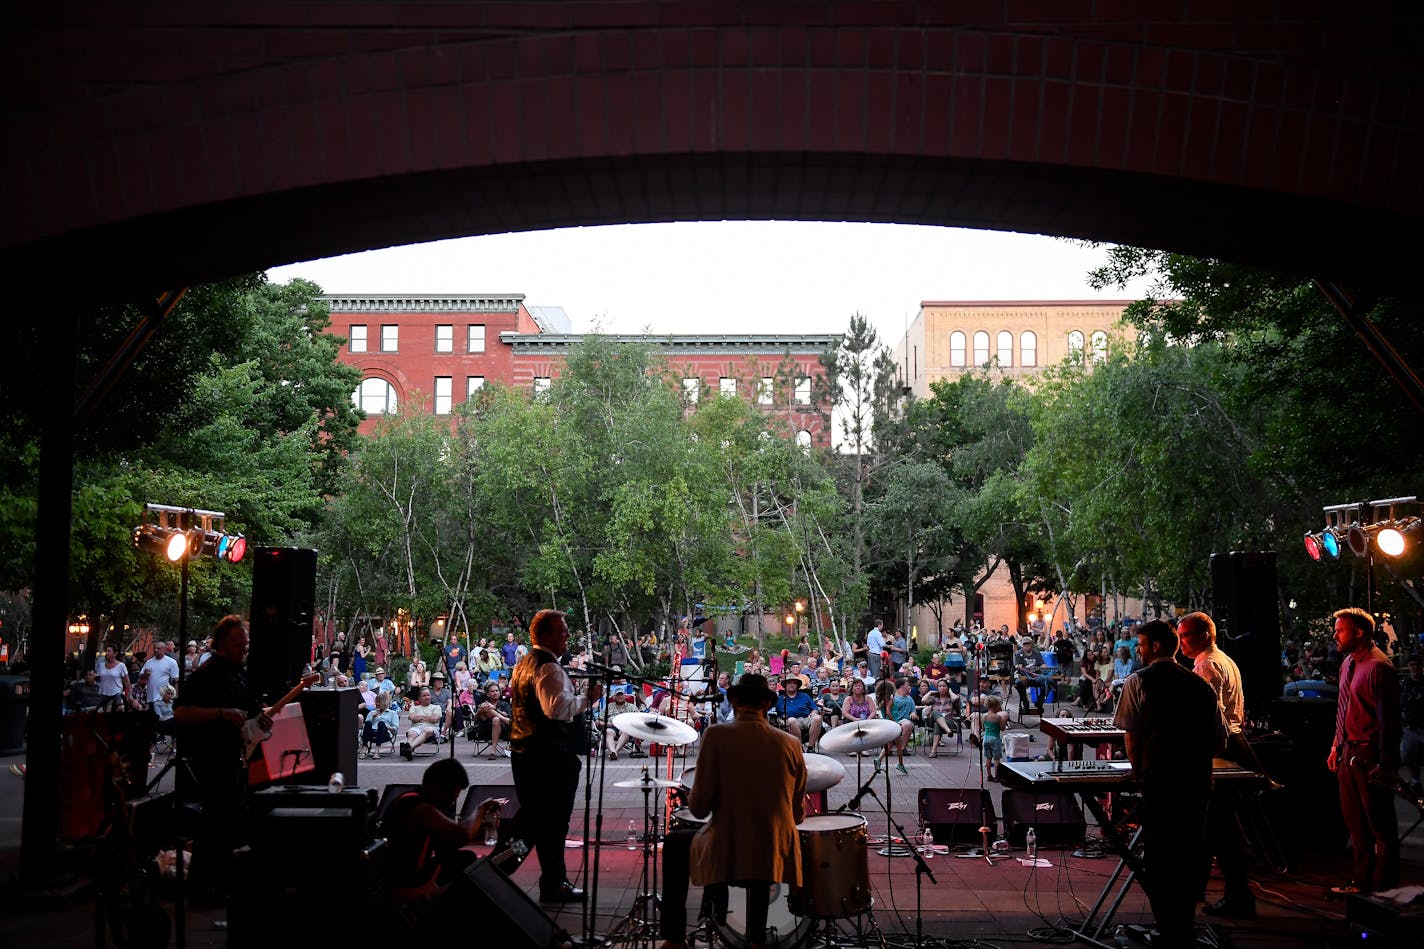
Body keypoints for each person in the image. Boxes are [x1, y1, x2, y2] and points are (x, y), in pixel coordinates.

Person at [658, 674, 807, 949]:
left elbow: (700, 809)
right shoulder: (792, 744)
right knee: (763, 841)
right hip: (777, 850)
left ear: (735, 702)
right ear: (766, 705)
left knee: (676, 844)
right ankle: (755, 940)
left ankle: (675, 937)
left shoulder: (716, 735)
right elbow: (798, 816)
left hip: (729, 848)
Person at [1113, 619, 1226, 949]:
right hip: (1195, 782)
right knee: (1190, 854)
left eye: (1142, 645)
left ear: (1157, 646)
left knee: (1161, 857)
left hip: (1159, 780)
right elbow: (1218, 742)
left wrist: (1136, 769)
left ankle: (1166, 929)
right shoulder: (1200, 685)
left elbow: (1130, 735)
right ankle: (1184, 928)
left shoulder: (1139, 681)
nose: (1139, 650)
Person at [171, 615, 274, 905]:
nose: (244, 648)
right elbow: (181, 712)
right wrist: (221, 713)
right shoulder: (206, 675)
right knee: (214, 823)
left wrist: (261, 718)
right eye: (238, 644)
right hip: (213, 757)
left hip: (239, 757)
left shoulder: (240, 674)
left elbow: (251, 712)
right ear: (221, 645)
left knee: (231, 822)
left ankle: (220, 881)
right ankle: (201, 888)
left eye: (246, 643)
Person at [510, 609, 601, 903]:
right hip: (549, 758)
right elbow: (556, 709)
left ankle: (508, 868)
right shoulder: (549, 668)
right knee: (552, 822)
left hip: (525, 753)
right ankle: (549, 881)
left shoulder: (524, 663)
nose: (566, 636)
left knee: (535, 820)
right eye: (562, 631)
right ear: (546, 634)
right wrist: (589, 699)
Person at [1177, 611, 1256, 918]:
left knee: (1221, 828)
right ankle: (1201, 888)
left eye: (1185, 636)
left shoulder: (1207, 665)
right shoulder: (1224, 659)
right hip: (1231, 744)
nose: (1181, 642)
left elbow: (1208, 716)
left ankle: (1239, 897)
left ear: (1204, 635)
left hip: (1220, 750)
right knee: (1213, 827)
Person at [378, 756, 507, 937]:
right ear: (436, 786)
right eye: (450, 796)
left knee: (467, 859)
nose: (451, 802)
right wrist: (480, 811)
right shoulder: (418, 807)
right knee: (471, 874)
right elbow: (460, 835)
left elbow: (449, 838)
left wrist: (483, 826)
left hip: (416, 867)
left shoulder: (423, 803)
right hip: (402, 879)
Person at [1327, 607, 1401, 895]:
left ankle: (1383, 889)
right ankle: (1361, 883)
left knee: (1379, 826)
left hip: (1369, 755)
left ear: (1359, 632)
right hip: (1348, 751)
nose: (1335, 634)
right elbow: (1343, 707)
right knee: (1355, 824)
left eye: (1340, 629)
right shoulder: (1348, 663)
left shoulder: (1379, 667)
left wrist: (1387, 763)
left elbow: (1389, 720)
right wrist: (1336, 745)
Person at [875, 678, 918, 774]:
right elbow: (888, 712)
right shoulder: (890, 700)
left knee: (889, 746)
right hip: (892, 725)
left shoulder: (884, 700)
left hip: (888, 724)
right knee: (898, 745)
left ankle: (879, 760)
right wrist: (895, 722)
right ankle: (900, 764)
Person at [773, 673, 823, 750]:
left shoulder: (805, 696)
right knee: (791, 720)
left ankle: (810, 747)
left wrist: (813, 713)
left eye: (794, 683)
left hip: (806, 719)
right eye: (789, 683)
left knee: (818, 718)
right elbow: (775, 713)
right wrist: (779, 720)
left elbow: (815, 708)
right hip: (789, 721)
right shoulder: (779, 699)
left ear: (797, 685)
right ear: (785, 685)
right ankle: (799, 748)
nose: (792, 685)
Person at [970, 694, 1009, 782]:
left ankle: (989, 775)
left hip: (986, 738)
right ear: (997, 706)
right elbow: (1002, 728)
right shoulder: (998, 717)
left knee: (988, 758)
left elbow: (983, 728)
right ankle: (997, 776)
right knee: (996, 759)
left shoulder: (984, 716)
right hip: (995, 738)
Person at [471, 681, 513, 759]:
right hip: (485, 729)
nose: (495, 693)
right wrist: (479, 710)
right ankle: (501, 718)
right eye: (492, 691)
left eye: (497, 691)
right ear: (487, 694)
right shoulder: (483, 704)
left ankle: (492, 752)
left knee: (496, 719)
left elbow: (508, 715)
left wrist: (495, 709)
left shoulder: (504, 704)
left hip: (502, 730)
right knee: (485, 707)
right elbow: (475, 719)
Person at [1402, 652, 1424, 798]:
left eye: (1417, 665)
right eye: (1412, 665)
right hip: (1410, 726)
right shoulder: (1403, 685)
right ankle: (1415, 781)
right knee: (1408, 755)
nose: (1415, 668)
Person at [924, 678, 961, 758]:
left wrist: (950, 691)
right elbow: (923, 701)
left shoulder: (951, 698)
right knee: (935, 712)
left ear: (948, 687)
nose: (942, 688)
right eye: (940, 686)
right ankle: (947, 730)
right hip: (933, 720)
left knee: (938, 724)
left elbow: (955, 699)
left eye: (944, 686)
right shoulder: (934, 698)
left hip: (949, 721)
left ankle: (933, 751)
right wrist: (930, 692)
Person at [140, 641, 180, 706]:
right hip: (151, 696)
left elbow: (176, 680)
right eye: (154, 648)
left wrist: (175, 694)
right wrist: (145, 674)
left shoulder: (171, 662)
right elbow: (141, 677)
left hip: (164, 697)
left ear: (164, 649)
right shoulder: (149, 662)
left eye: (158, 648)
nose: (156, 650)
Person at [361, 690, 400, 758]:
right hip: (371, 733)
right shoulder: (371, 713)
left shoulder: (392, 713)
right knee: (368, 722)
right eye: (376, 702)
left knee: (381, 723)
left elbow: (395, 730)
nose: (377, 704)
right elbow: (365, 728)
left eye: (379, 702)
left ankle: (377, 750)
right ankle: (364, 749)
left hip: (385, 733)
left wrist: (386, 726)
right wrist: (373, 718)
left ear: (385, 702)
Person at [95, 644, 134, 711]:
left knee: (113, 711)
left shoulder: (121, 666)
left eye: (109, 651)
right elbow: (98, 679)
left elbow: (127, 681)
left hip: (116, 693)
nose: (106, 653)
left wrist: (129, 694)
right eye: (106, 651)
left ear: (115, 653)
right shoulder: (101, 665)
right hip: (103, 693)